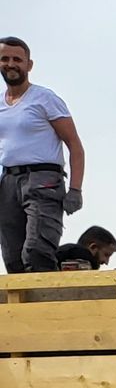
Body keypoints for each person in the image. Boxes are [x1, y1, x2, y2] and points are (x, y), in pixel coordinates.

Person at [0, 37, 85, 274]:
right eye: (5, 59)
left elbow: (74, 144)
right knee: (12, 255)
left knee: (37, 250)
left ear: (29, 65)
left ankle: (49, 305)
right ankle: (22, 311)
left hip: (43, 179)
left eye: (17, 59)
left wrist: (75, 190)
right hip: (8, 181)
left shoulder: (44, 99)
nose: (11, 64)